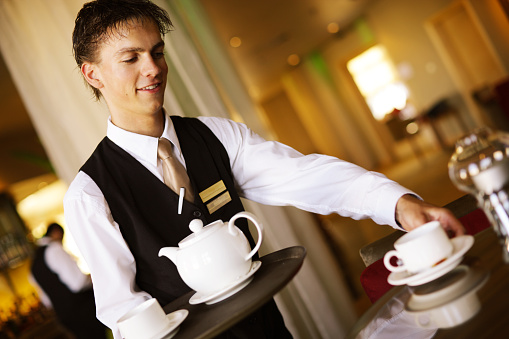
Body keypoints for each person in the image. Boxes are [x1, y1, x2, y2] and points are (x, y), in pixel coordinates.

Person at [63, 0, 465, 337]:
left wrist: (399, 204)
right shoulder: (89, 193)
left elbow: (307, 176)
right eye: (131, 58)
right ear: (92, 73)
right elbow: (123, 310)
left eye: (157, 51)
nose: (152, 68)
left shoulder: (215, 135)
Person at [30, 223, 108, 339]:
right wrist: (96, 277)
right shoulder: (54, 249)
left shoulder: (32, 266)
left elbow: (46, 301)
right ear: (56, 232)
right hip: (84, 312)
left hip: (64, 316)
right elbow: (78, 283)